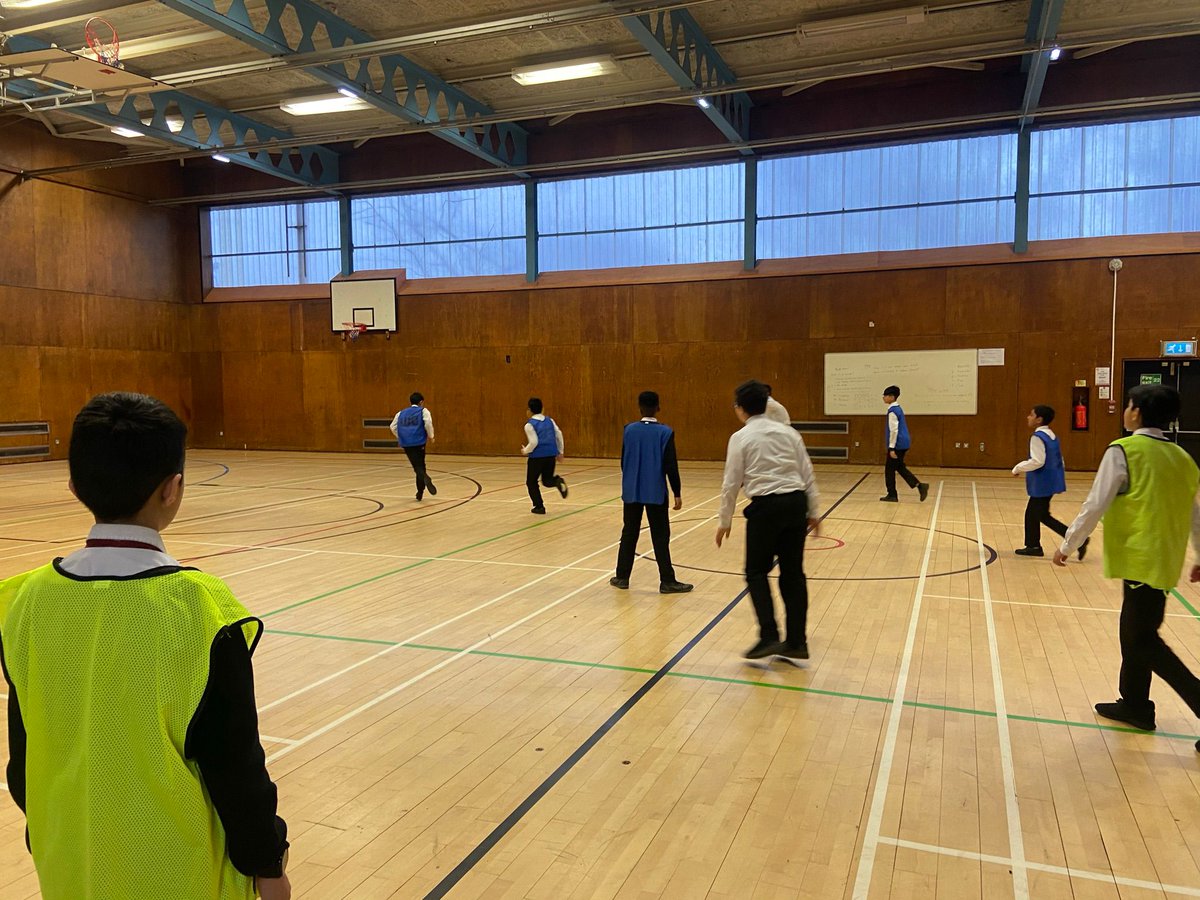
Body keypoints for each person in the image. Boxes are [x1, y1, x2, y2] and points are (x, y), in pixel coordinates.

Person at [0, 392, 290, 899]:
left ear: (73, 485)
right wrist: (267, 863)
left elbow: (23, 756)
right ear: (173, 489)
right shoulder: (203, 610)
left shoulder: (23, 602)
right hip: (180, 871)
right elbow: (235, 763)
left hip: (68, 861)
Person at [1053, 384, 1200, 750]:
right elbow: (1196, 511)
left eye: (1128, 404)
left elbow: (1095, 502)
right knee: (1133, 632)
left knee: (1143, 641)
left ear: (1135, 412)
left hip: (1140, 556)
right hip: (1164, 558)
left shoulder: (1124, 450)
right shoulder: (1182, 457)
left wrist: (1069, 543)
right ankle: (1135, 704)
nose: (1125, 410)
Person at [715, 379, 821, 661]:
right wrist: (814, 511)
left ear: (740, 408)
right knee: (793, 575)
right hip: (795, 504)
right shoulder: (789, 434)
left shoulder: (740, 437)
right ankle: (797, 641)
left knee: (756, 572)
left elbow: (731, 482)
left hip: (767, 508)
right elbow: (807, 473)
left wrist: (724, 519)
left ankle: (769, 636)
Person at [610, 391, 694, 595]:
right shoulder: (665, 432)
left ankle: (622, 577)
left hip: (631, 490)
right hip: (655, 490)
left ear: (639, 407)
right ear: (658, 407)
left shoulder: (628, 430)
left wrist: (630, 479)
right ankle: (667, 580)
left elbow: (624, 460)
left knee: (629, 532)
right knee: (660, 535)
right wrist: (677, 491)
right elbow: (670, 464)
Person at [1011, 404, 1087, 559]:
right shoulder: (1052, 435)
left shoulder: (1037, 437)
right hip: (1051, 480)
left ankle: (1077, 541)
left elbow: (1038, 461)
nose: (1028, 417)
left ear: (1039, 419)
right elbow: (1060, 459)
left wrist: (1018, 468)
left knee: (1039, 514)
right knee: (1036, 514)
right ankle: (1033, 545)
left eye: (1031, 415)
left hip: (1043, 482)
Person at [880, 385, 929, 503]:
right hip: (903, 442)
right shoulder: (898, 409)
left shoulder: (893, 411)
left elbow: (894, 430)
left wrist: (891, 448)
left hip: (898, 444)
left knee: (890, 470)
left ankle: (892, 495)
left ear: (892, 397)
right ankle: (920, 486)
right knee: (899, 467)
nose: (883, 398)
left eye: (885, 395)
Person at [522, 397, 567, 515]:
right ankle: (557, 481)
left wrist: (525, 450)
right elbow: (559, 434)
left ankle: (539, 506)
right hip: (551, 455)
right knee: (547, 480)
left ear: (529, 410)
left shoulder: (529, 425)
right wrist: (560, 451)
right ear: (542, 408)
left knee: (531, 482)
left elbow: (534, 442)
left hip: (537, 457)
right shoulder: (550, 421)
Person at [390, 391, 437, 500]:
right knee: (420, 466)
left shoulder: (400, 413)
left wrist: (401, 436)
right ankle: (423, 485)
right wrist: (431, 436)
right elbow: (428, 423)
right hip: (419, 442)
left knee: (416, 466)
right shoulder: (423, 411)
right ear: (421, 402)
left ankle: (419, 493)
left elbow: (392, 427)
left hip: (406, 444)